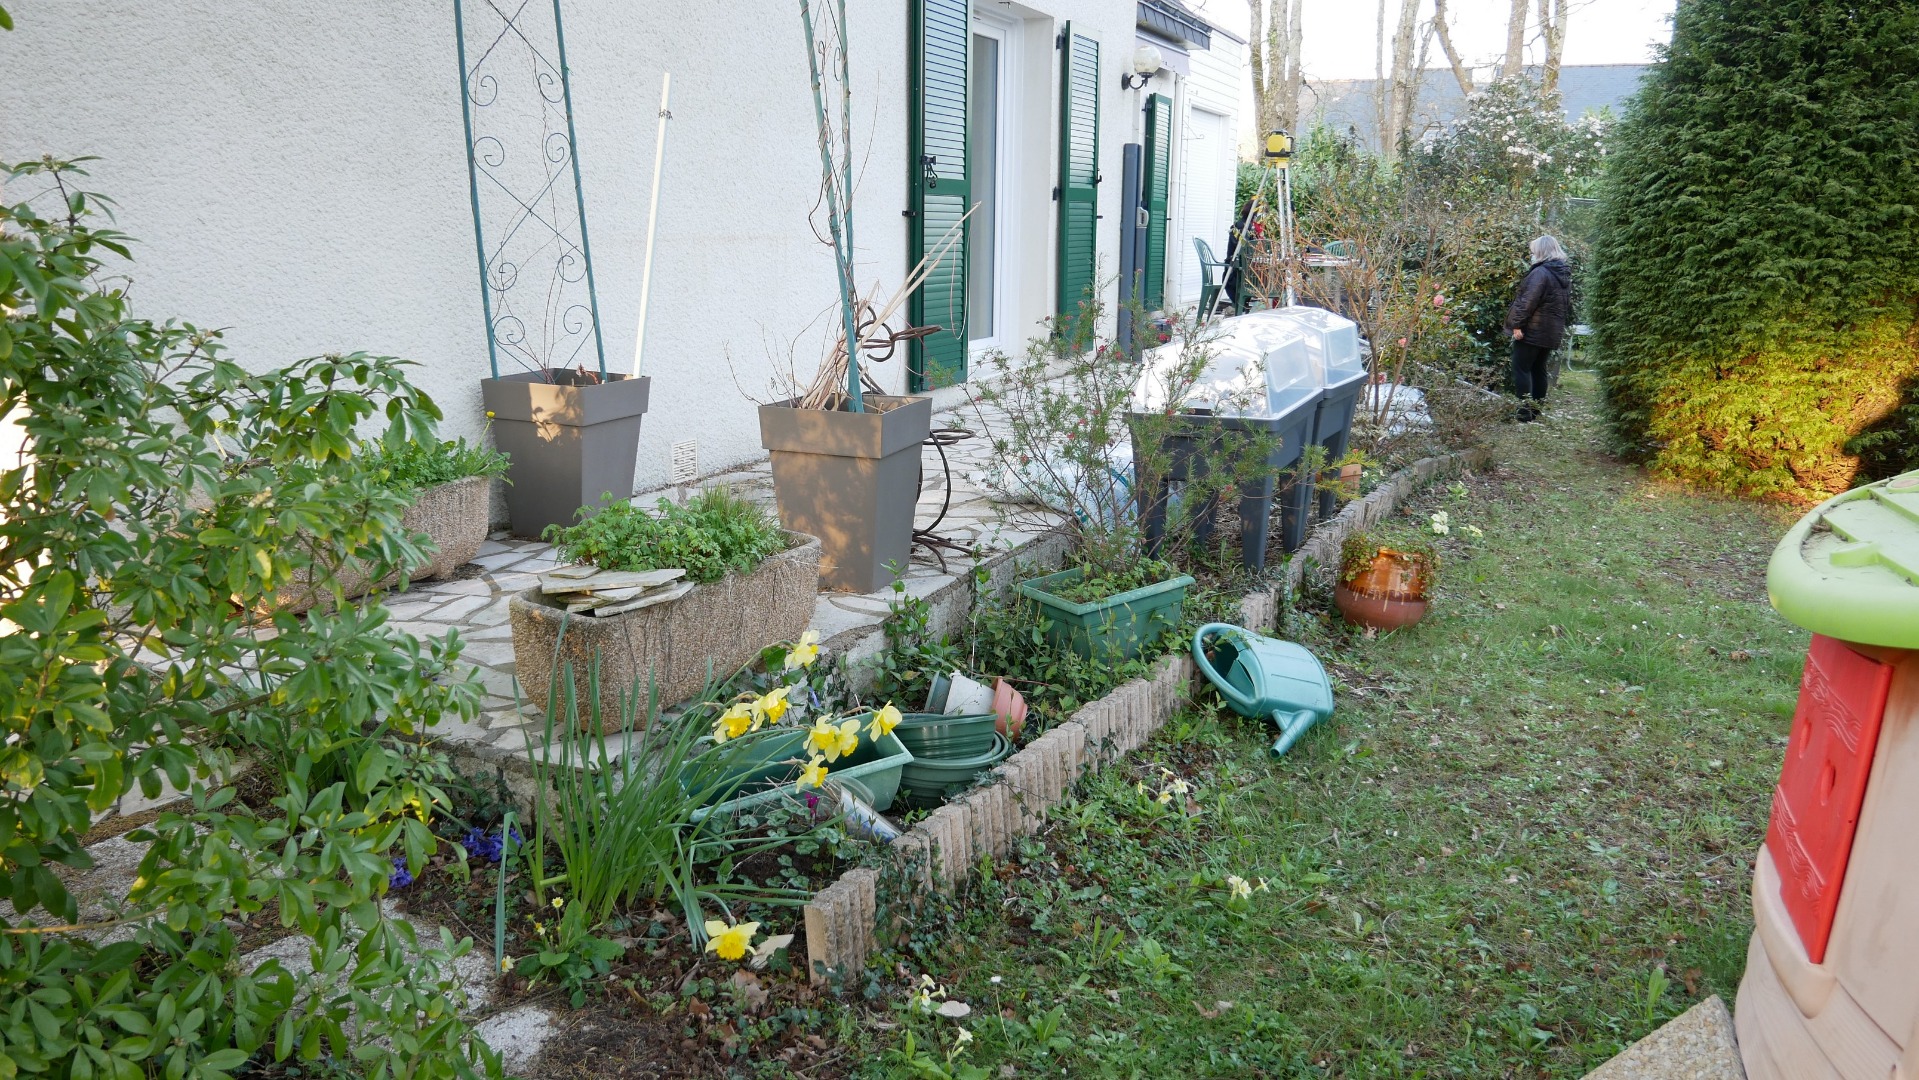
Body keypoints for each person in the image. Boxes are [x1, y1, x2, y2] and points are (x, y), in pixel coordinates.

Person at [1504, 235, 1573, 422]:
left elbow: (1527, 302)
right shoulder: (1562, 274)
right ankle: (1535, 411)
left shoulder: (1540, 273)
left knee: (1522, 369)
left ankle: (1524, 414)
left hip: (1533, 330)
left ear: (1541, 251)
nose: (1531, 254)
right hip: (1550, 332)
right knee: (1538, 369)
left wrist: (1517, 325)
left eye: (1533, 250)